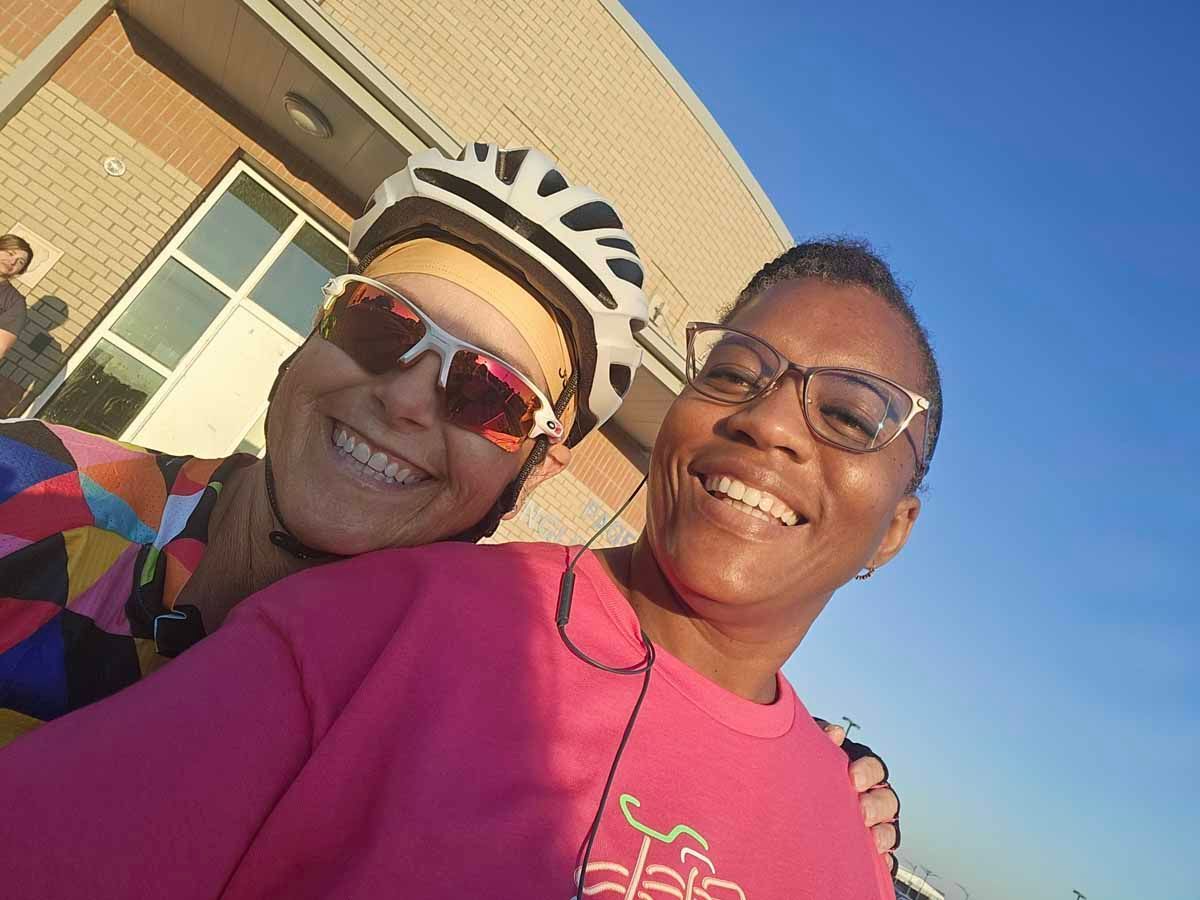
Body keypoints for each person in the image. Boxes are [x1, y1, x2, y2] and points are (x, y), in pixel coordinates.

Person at [0, 146, 897, 849]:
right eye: (375, 324)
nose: (402, 398)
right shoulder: (28, 494)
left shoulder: (473, 710)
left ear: (533, 471)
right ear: (303, 340)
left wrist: (812, 781)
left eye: (490, 395)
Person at [0, 233, 33, 361]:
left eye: (20, 262)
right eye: (10, 253)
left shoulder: (15, 302)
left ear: (21, 270)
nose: (12, 262)